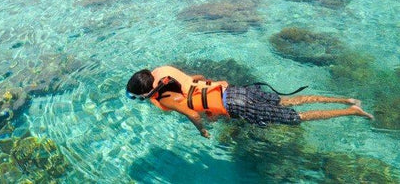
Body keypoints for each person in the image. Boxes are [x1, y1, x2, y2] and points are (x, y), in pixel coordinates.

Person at [126, 65, 373, 138]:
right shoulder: (166, 71)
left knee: (299, 117)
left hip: (235, 106)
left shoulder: (166, 99)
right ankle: (344, 98)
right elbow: (197, 79)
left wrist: (202, 130)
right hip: (232, 92)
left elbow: (192, 114)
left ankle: (351, 111)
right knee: (288, 101)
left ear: (148, 93)